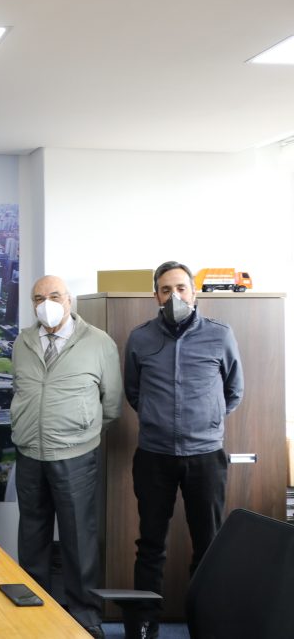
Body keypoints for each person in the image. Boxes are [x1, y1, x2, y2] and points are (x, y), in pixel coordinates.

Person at [122, 261, 243, 639]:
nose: (174, 296)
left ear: (194, 292)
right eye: (165, 290)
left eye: (180, 288)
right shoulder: (140, 338)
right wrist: (158, 419)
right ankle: (144, 627)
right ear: (155, 296)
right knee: (150, 545)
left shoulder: (220, 335)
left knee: (208, 544)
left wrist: (205, 422)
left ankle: (206, 626)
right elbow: (133, 391)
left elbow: (234, 390)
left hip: (205, 457)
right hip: (154, 456)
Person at [10, 275, 122, 639]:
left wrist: (80, 429)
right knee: (32, 535)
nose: (46, 303)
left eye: (54, 296)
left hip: (75, 455)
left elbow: (112, 404)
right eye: (38, 298)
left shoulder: (98, 342)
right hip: (29, 453)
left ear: (69, 300)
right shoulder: (23, 342)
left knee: (78, 537)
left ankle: (85, 615)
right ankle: (34, 613)